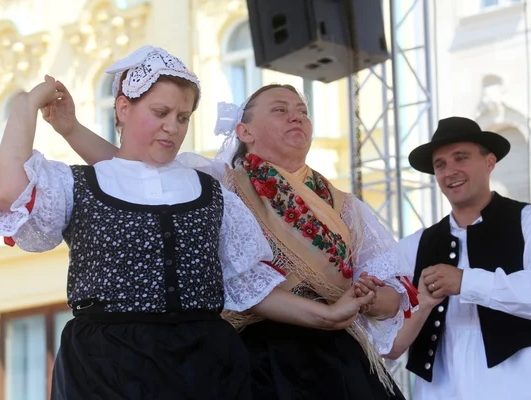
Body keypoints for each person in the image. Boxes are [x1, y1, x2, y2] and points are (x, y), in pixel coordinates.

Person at [0, 47, 376, 400]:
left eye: (182, 117)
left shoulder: (210, 191)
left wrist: (324, 316)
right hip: (106, 368)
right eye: (160, 112)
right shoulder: (79, 183)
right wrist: (26, 105)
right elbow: (6, 191)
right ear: (123, 108)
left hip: (203, 366)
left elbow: (248, 286)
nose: (172, 126)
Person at [42, 79, 419, 399]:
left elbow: (393, 300)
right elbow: (131, 176)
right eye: (279, 109)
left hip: (335, 357)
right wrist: (71, 129)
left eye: (302, 109)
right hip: (255, 354)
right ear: (244, 131)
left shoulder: (346, 207)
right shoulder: (215, 182)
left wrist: (366, 298)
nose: (296, 115)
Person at [386, 116, 531, 400]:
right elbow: (386, 341)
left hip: (516, 387)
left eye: (460, 158)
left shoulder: (526, 221)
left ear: (490, 162)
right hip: (440, 392)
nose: (450, 171)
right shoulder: (413, 246)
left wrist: (467, 281)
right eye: (440, 165)